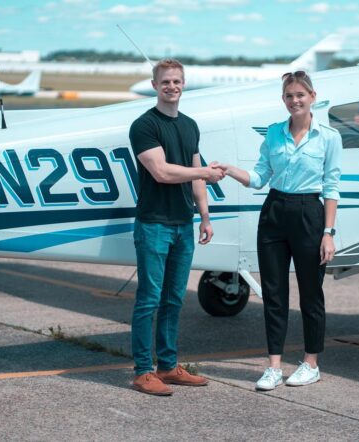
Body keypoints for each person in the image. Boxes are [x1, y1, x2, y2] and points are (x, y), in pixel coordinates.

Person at [219, 71, 342, 390]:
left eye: (300, 94)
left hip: (309, 214)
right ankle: (273, 367)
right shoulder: (274, 133)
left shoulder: (329, 137)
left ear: (312, 97)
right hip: (274, 211)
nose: (294, 100)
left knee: (311, 293)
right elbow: (260, 177)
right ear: (283, 99)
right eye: (289, 95)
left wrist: (328, 232)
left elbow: (331, 187)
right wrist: (230, 170)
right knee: (274, 293)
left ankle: (311, 363)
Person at [128, 58, 225, 396]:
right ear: (155, 85)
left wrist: (205, 217)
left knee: (173, 299)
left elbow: (195, 175)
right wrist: (204, 173)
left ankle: (167, 366)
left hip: (184, 224)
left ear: (183, 84)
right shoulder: (144, 125)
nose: (171, 86)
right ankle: (143, 371)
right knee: (149, 299)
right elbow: (162, 172)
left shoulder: (190, 125)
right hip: (154, 224)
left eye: (176, 81)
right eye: (165, 81)